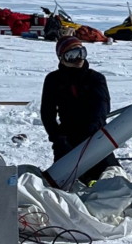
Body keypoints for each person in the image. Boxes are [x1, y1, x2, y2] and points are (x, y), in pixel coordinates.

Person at [41, 35, 118, 184]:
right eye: (72, 55)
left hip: (95, 137)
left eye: (81, 53)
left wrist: (91, 134)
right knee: (63, 182)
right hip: (67, 138)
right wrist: (57, 138)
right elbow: (47, 113)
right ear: (61, 58)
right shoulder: (53, 80)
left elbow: (101, 108)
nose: (79, 59)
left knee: (110, 179)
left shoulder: (95, 78)